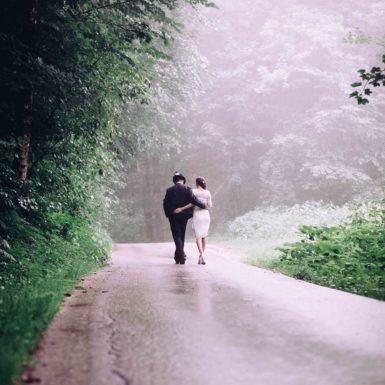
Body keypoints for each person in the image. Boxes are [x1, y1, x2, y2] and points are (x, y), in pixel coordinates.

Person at [163, 172, 206, 264]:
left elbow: (165, 204)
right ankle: (179, 256)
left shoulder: (169, 190)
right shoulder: (187, 189)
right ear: (183, 180)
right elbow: (194, 200)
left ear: (175, 181)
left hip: (173, 216)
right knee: (181, 235)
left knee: (176, 235)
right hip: (184, 216)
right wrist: (203, 205)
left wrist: (169, 214)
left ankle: (181, 255)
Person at [174, 177, 212, 265]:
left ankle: (202, 255)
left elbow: (191, 203)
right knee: (204, 236)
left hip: (197, 215)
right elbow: (210, 205)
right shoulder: (207, 192)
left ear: (196, 183)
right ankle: (201, 256)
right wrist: (204, 204)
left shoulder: (193, 191)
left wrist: (181, 208)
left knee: (198, 237)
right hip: (206, 215)